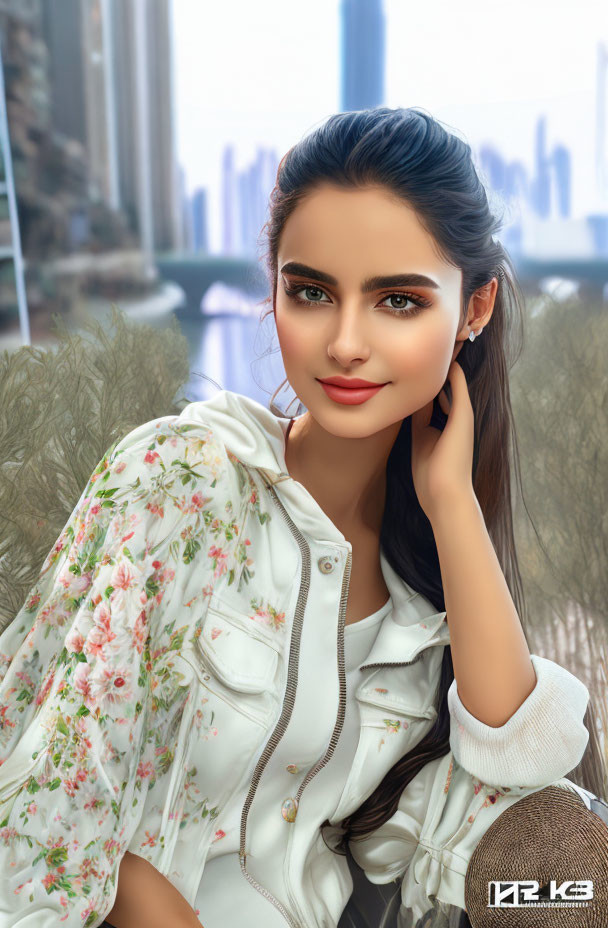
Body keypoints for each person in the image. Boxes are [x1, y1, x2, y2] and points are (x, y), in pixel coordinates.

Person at [0, 107, 600, 928]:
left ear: (475, 308)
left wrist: (452, 504)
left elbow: (520, 766)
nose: (345, 343)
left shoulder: (420, 591)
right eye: (311, 291)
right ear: (274, 285)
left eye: (397, 301)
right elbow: (51, 807)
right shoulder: (180, 479)